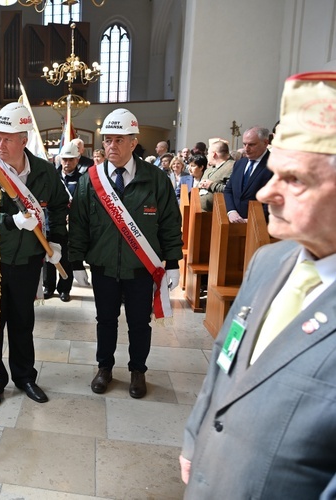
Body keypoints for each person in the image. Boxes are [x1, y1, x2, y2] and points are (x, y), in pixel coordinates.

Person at [180, 71, 336, 499]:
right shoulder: (269, 261)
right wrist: (196, 437)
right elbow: (223, 358)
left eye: (295, 179)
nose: (266, 193)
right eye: (273, 173)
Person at [69, 108, 183, 399]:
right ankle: (104, 368)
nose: (111, 147)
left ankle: (138, 371)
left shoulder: (156, 180)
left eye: (119, 140)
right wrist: (76, 263)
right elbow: (80, 226)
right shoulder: (90, 181)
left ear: (134, 142)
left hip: (141, 269)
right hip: (104, 266)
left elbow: (170, 222)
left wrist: (173, 263)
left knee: (139, 323)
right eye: (107, 140)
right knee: (105, 321)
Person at [0, 102, 69, 406]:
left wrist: (57, 243)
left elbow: (60, 207)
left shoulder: (45, 172)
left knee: (23, 323)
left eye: (7, 139)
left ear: (24, 140)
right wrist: (9, 222)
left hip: (27, 262)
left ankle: (25, 377)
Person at [43, 140, 80, 301]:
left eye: (71, 159)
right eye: (64, 159)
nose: (67, 163)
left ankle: (65, 288)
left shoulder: (83, 179)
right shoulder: (52, 176)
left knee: (66, 258)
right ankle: (48, 286)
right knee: (48, 256)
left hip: (70, 227)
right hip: (51, 222)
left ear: (77, 160)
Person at [223, 126, 273, 223]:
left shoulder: (275, 165)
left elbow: (274, 200)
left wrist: (254, 219)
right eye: (244, 144)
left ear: (265, 143)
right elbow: (229, 190)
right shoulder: (240, 164)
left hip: (260, 225)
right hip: (235, 223)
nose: (246, 149)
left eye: (251, 144)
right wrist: (231, 211)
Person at [197, 140, 234, 212]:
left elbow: (232, 190)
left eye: (208, 153)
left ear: (214, 154)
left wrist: (212, 185)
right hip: (198, 210)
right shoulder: (209, 169)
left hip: (217, 214)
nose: (207, 156)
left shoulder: (232, 166)